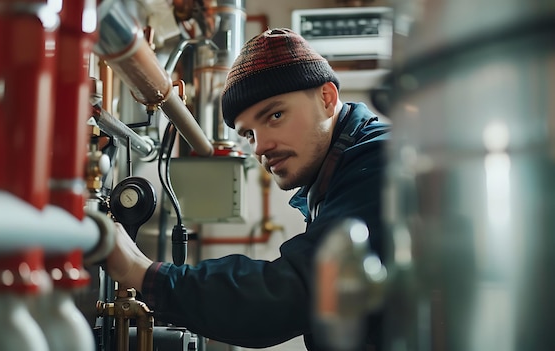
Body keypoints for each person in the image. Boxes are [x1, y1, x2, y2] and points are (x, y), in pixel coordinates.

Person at [106, 28, 391, 350]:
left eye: (275, 115)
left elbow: (293, 292)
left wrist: (141, 273)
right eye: (250, 135)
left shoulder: (382, 163)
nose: (261, 147)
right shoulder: (338, 175)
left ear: (327, 98)